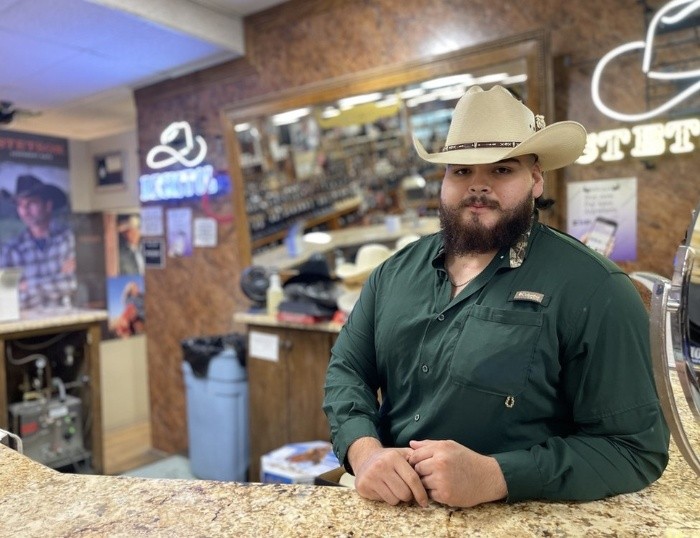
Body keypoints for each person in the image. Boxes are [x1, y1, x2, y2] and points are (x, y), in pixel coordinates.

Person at [323, 85, 669, 509]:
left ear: (535, 179)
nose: (478, 185)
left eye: (502, 169)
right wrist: (364, 452)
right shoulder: (392, 275)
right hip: (387, 512)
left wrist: (498, 475)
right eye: (461, 171)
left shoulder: (596, 289)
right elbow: (348, 372)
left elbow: (634, 450)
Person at [0, 174, 76, 309]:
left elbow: (71, 284)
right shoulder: (11, 248)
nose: (24, 210)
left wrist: (26, 285)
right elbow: (6, 295)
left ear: (48, 205)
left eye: (31, 203)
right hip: (28, 320)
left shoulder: (67, 239)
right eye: (20, 205)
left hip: (65, 318)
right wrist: (56, 281)